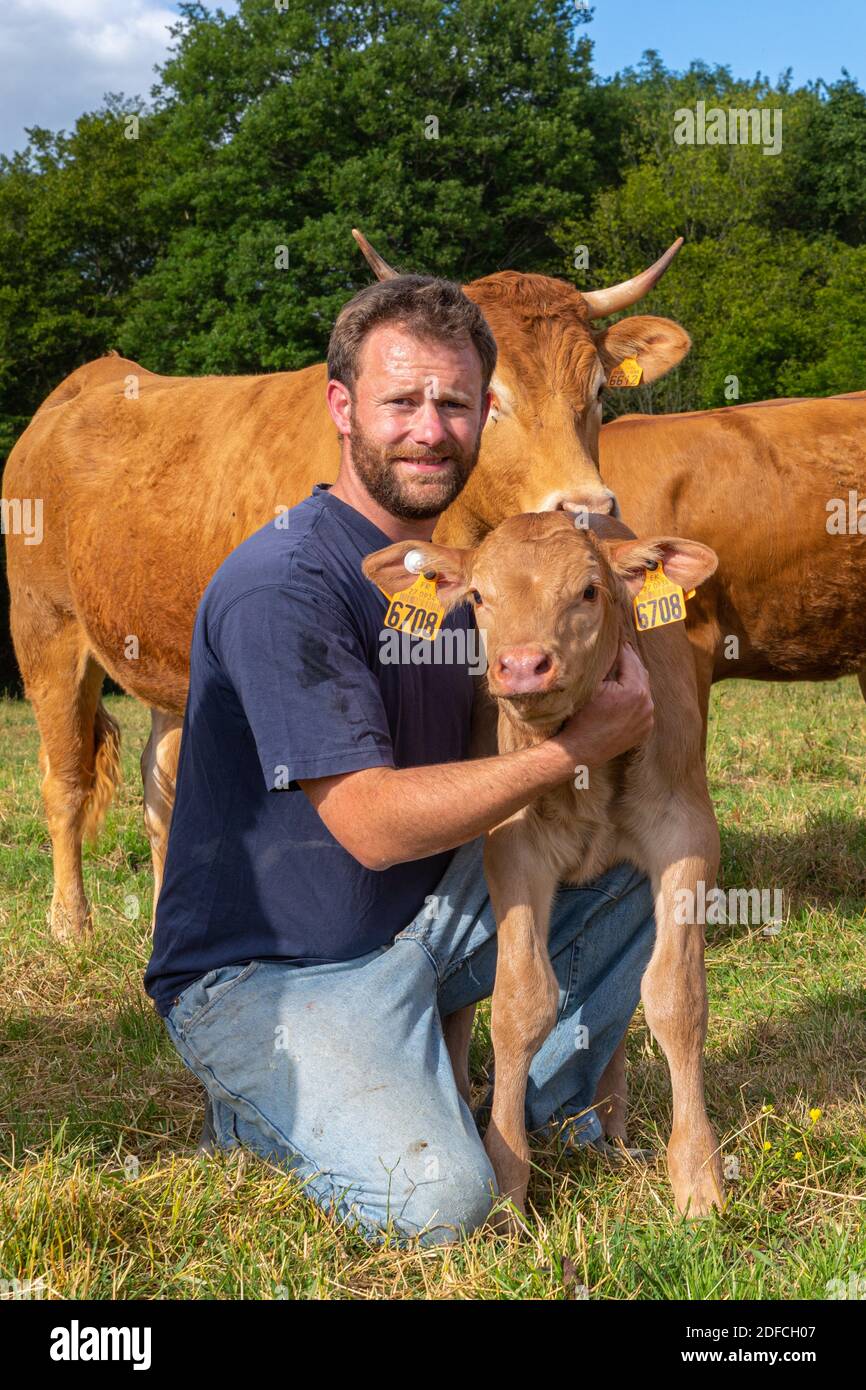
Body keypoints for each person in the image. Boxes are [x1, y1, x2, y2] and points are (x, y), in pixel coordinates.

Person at [144, 273, 656, 1246]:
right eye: (401, 401)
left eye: (455, 403)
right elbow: (372, 826)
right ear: (341, 407)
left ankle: (476, 1073)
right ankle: (254, 1108)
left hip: (413, 929)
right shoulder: (283, 582)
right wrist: (575, 754)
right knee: (440, 1204)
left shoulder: (452, 576)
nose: (430, 428)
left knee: (631, 861)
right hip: (272, 974)